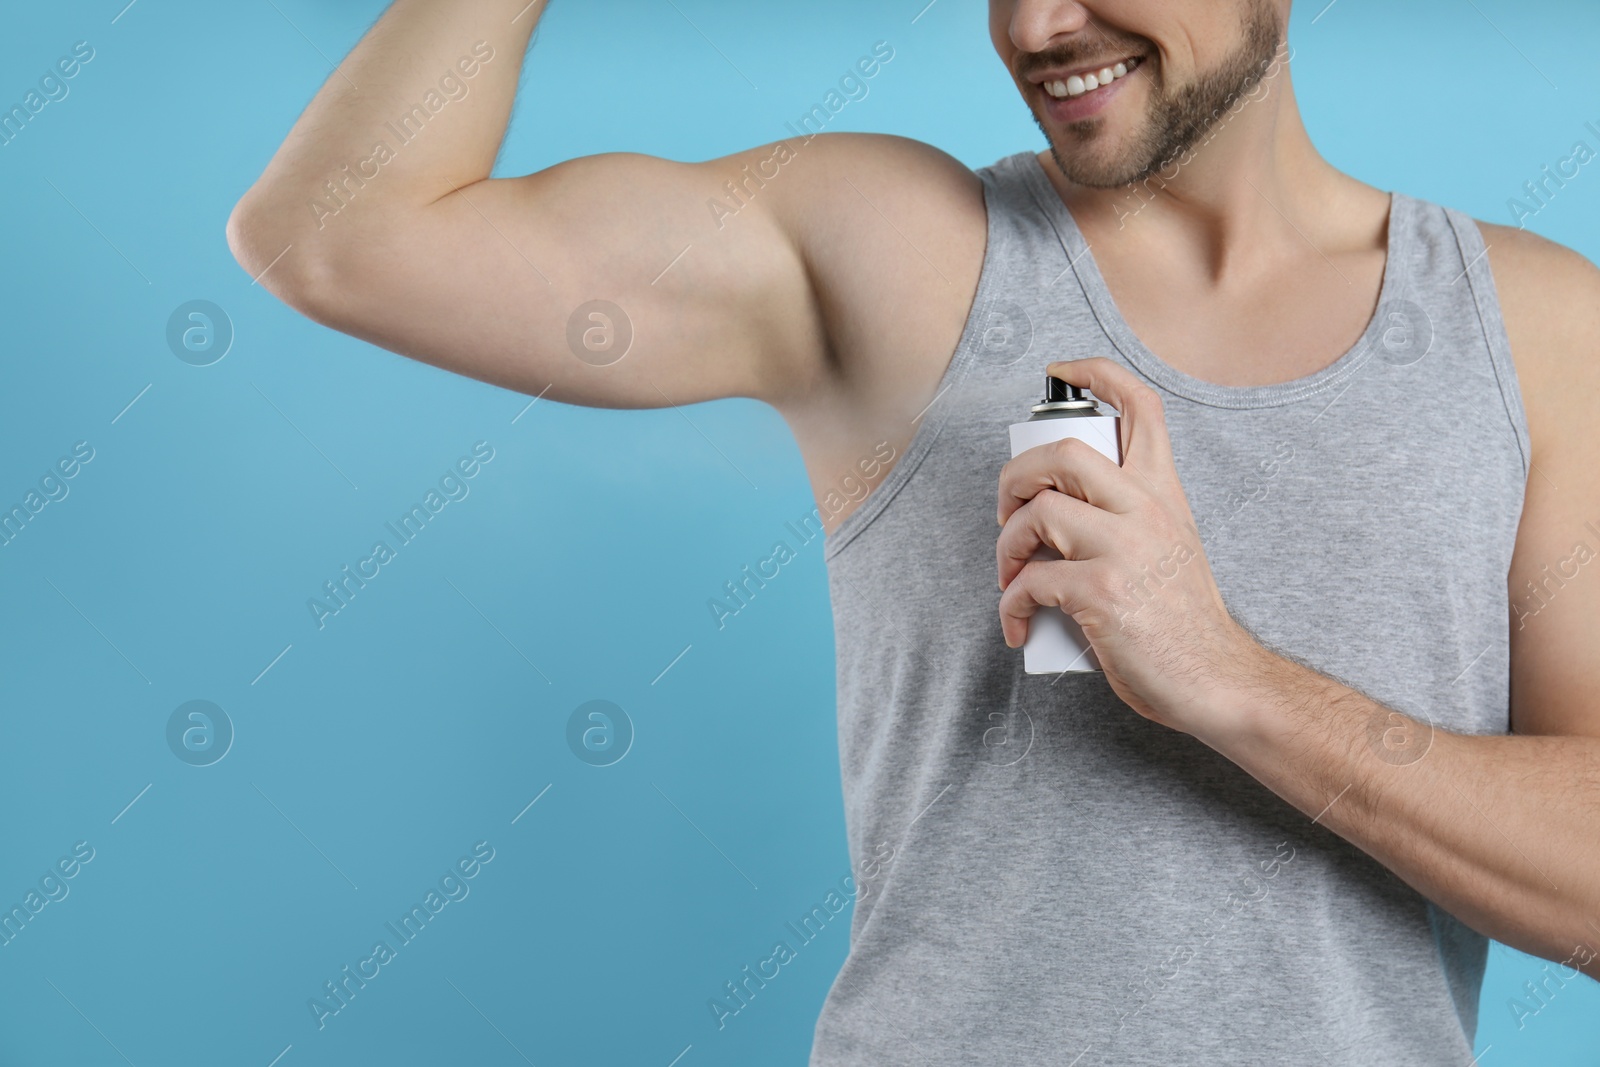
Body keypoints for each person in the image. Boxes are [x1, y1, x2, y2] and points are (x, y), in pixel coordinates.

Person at [227, 1, 1600, 1062]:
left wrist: (1227, 677)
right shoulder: (901, 251)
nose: (1037, 25)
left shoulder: (1531, 333)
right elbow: (338, 238)